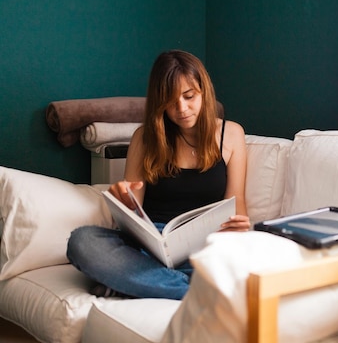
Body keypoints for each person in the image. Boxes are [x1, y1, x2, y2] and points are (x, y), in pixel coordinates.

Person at [66, 50, 250, 300]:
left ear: (203, 91)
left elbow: (236, 204)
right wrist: (124, 200)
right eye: (171, 102)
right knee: (82, 242)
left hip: (203, 248)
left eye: (189, 96)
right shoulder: (144, 138)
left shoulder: (232, 134)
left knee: (245, 263)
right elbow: (134, 211)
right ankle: (189, 291)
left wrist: (238, 226)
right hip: (150, 246)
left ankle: (134, 282)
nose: (182, 109)